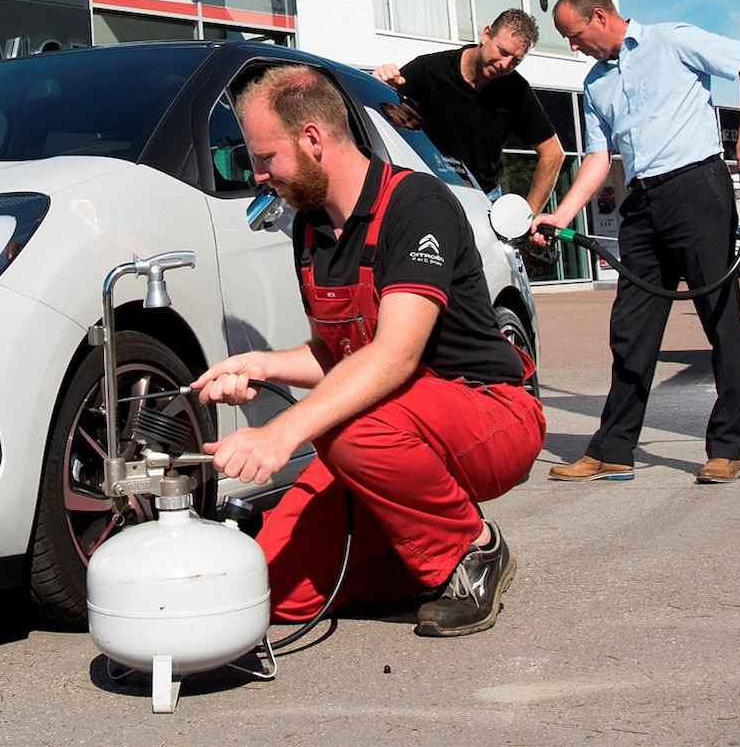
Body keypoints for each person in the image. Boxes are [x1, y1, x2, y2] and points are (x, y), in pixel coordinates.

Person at [195, 64, 546, 636]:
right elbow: (340, 355)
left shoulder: (417, 204)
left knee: (349, 427)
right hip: (394, 425)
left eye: (265, 158)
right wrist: (258, 365)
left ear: (312, 140)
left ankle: (473, 549)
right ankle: (411, 552)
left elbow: (392, 357)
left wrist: (280, 434)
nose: (258, 176)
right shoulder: (310, 229)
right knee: (273, 593)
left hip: (489, 414)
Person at [533, 0, 740, 485]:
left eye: (574, 36)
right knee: (630, 330)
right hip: (642, 202)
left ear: (599, 17)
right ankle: (614, 449)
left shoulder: (672, 41)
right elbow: (599, 159)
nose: (573, 47)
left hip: (697, 188)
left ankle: (727, 449)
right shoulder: (595, 85)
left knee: (719, 319)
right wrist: (563, 215)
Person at [372, 8, 564, 208]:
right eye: (503, 52)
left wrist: (528, 216)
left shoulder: (516, 91)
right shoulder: (429, 69)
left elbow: (553, 153)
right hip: (428, 191)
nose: (505, 65)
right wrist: (381, 83)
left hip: (484, 198)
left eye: (516, 61)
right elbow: (386, 112)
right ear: (486, 34)